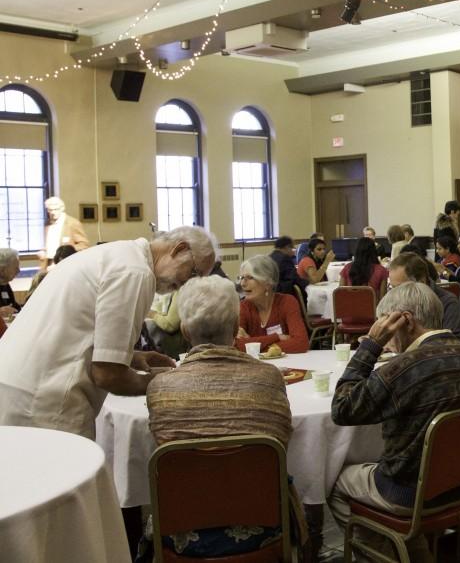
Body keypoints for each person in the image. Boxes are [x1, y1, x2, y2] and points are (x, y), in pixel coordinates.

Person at [328, 282, 460, 560]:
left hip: (409, 493)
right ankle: (411, 551)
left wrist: (371, 345)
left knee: (333, 480)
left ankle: (379, 553)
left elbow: (343, 408)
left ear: (402, 320)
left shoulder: (404, 367)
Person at [0, 226, 215, 439]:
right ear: (179, 249)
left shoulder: (117, 255)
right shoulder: (135, 272)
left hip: (18, 386)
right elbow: (107, 375)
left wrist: (130, 357)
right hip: (43, 402)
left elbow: (74, 334)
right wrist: (164, 382)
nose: (186, 286)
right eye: (193, 273)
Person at [140, 275, 297, 562]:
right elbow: (283, 442)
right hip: (264, 525)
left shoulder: (161, 388)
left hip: (183, 528)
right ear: (236, 329)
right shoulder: (269, 378)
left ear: (185, 331)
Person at [237, 255, 309, 355]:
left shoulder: (287, 302)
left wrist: (252, 344)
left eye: (249, 278)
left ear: (267, 283)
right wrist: (277, 337)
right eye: (242, 278)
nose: (242, 283)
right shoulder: (244, 307)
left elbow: (301, 343)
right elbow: (236, 346)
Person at [388, 252, 460, 342]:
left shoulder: (448, 304)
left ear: (421, 281)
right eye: (392, 288)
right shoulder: (396, 301)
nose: (394, 294)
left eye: (400, 287)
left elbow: (455, 348)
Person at [40, 196, 90, 266]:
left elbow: (84, 245)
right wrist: (43, 250)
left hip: (65, 263)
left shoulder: (72, 223)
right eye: (50, 210)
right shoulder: (47, 224)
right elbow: (48, 244)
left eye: (56, 209)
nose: (53, 212)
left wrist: (65, 252)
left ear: (62, 208)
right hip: (48, 263)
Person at [0, 248, 22, 317]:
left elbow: (14, 306)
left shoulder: (5, 284)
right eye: (15, 268)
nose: (19, 271)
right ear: (2, 269)